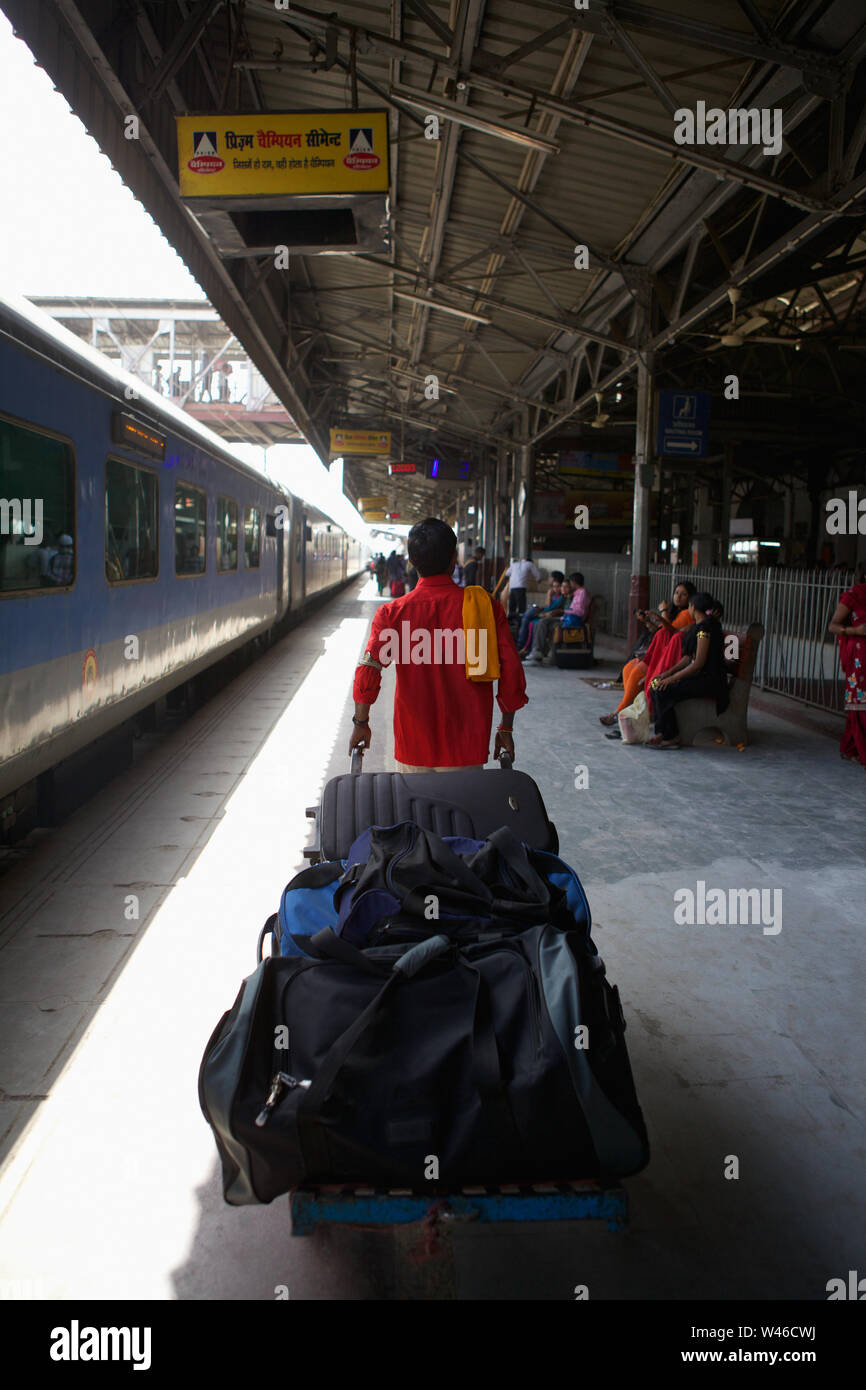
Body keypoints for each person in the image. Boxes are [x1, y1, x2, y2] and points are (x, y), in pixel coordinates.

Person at [349, 517, 527, 771]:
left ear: (411, 562)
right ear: (454, 558)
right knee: (463, 811)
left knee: (415, 811)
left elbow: (369, 669)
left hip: (413, 746)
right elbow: (511, 671)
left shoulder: (393, 613)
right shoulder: (484, 606)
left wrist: (361, 723)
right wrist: (506, 728)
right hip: (467, 748)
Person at [599, 582, 696, 726]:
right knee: (627, 669)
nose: (678, 597)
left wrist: (662, 613)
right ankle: (633, 707)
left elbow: (671, 632)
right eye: (676, 593)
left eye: (683, 594)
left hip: (668, 657)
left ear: (691, 598)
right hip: (657, 652)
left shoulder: (687, 614)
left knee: (636, 674)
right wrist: (647, 621)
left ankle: (617, 713)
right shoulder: (676, 613)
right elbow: (660, 631)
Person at [647, 592, 729, 748]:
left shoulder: (706, 629)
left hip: (709, 681)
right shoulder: (698, 627)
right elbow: (686, 658)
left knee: (663, 689)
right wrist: (667, 674)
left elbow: (697, 663)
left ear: (693, 607)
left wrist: (672, 679)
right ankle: (662, 732)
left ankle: (672, 737)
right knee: (655, 684)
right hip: (699, 677)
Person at [828, 566, 866, 766]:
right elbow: (833, 625)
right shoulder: (854, 596)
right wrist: (856, 630)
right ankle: (858, 748)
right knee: (860, 705)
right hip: (860, 657)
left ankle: (851, 747)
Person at [516, 571, 565, 653]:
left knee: (529, 619)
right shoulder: (555, 594)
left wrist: (548, 597)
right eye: (554, 587)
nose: (555, 589)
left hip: (551, 614)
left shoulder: (561, 596)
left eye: (558, 586)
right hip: (546, 612)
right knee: (527, 619)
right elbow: (548, 606)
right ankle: (523, 647)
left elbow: (550, 607)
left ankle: (523, 648)